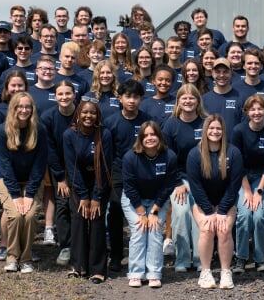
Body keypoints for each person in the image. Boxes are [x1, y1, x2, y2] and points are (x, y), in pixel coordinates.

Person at [121, 121, 181, 288]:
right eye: (145, 135)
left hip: (157, 201)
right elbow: (129, 187)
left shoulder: (169, 156)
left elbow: (168, 186)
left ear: (159, 137)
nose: (149, 138)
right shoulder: (130, 157)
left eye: (153, 134)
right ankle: (135, 273)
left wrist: (154, 212)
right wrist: (142, 213)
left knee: (154, 230)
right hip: (134, 200)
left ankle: (154, 273)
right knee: (140, 230)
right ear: (140, 138)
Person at [187, 114, 243, 289]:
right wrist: (209, 212)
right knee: (206, 228)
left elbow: (234, 185)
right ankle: (205, 271)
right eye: (211, 128)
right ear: (205, 131)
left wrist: (221, 210)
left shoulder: (233, 152)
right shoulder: (195, 154)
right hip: (202, 201)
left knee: (224, 229)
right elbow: (195, 186)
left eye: (218, 128)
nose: (215, 131)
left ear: (223, 131)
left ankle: (226, 271)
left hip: (226, 200)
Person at [0, 92, 48, 274]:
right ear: (13, 109)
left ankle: (25, 258)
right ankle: (12, 256)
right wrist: (17, 196)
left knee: (31, 215)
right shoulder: (2, 131)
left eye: (27, 107)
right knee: (16, 215)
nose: (24, 110)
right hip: (9, 181)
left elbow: (40, 165)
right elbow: (4, 166)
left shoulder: (40, 130)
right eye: (20, 107)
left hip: (31, 181)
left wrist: (30, 194)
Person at [102, 79, 152, 273]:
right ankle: (116, 255)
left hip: (143, 170)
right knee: (115, 211)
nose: (132, 101)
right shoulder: (111, 122)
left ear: (141, 99)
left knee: (143, 213)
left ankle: (144, 255)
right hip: (118, 171)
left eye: (136, 97)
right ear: (120, 98)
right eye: (128, 96)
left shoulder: (147, 122)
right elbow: (107, 151)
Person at [64, 98, 114, 284]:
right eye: (85, 112)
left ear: (97, 115)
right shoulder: (69, 135)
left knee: (96, 221)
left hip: (99, 182)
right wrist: (83, 196)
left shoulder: (104, 134)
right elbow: (72, 167)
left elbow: (105, 165)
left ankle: (98, 269)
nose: (88, 116)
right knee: (78, 220)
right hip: (78, 182)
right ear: (78, 114)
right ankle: (78, 266)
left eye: (92, 112)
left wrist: (96, 196)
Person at [161, 84, 208, 273]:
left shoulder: (205, 123)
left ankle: (199, 258)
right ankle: (182, 258)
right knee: (180, 214)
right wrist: (178, 183)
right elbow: (166, 157)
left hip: (202, 178)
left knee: (200, 215)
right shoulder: (170, 124)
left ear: (198, 101)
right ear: (178, 101)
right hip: (178, 178)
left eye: (192, 98)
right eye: (184, 98)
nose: (188, 101)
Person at [230, 94, 264, 274]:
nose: (257, 112)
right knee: (245, 215)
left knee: (260, 216)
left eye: (260, 109)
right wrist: (248, 192)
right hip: (243, 178)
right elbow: (237, 164)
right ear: (246, 112)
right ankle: (240, 258)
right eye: (253, 109)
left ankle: (259, 258)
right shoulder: (239, 131)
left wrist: (259, 191)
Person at [42, 80, 77, 264]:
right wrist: (61, 178)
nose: (64, 97)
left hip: (80, 168)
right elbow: (50, 149)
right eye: (60, 94)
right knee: (62, 205)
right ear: (55, 97)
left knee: (78, 205)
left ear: (74, 95)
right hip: (59, 169)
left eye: (68, 93)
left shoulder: (83, 114)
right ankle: (66, 246)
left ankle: (81, 245)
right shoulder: (48, 117)